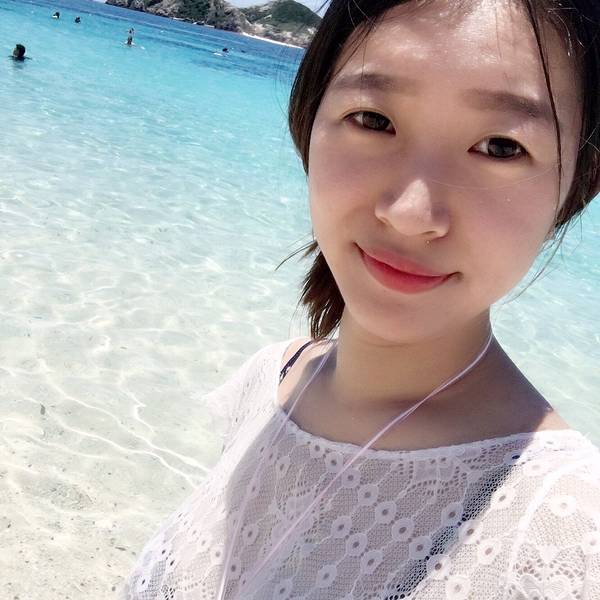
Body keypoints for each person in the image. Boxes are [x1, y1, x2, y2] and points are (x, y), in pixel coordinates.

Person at [120, 1, 600, 599]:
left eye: (501, 146)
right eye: (373, 119)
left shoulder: (566, 537)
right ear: (308, 118)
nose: (410, 214)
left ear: (578, 183)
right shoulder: (270, 383)